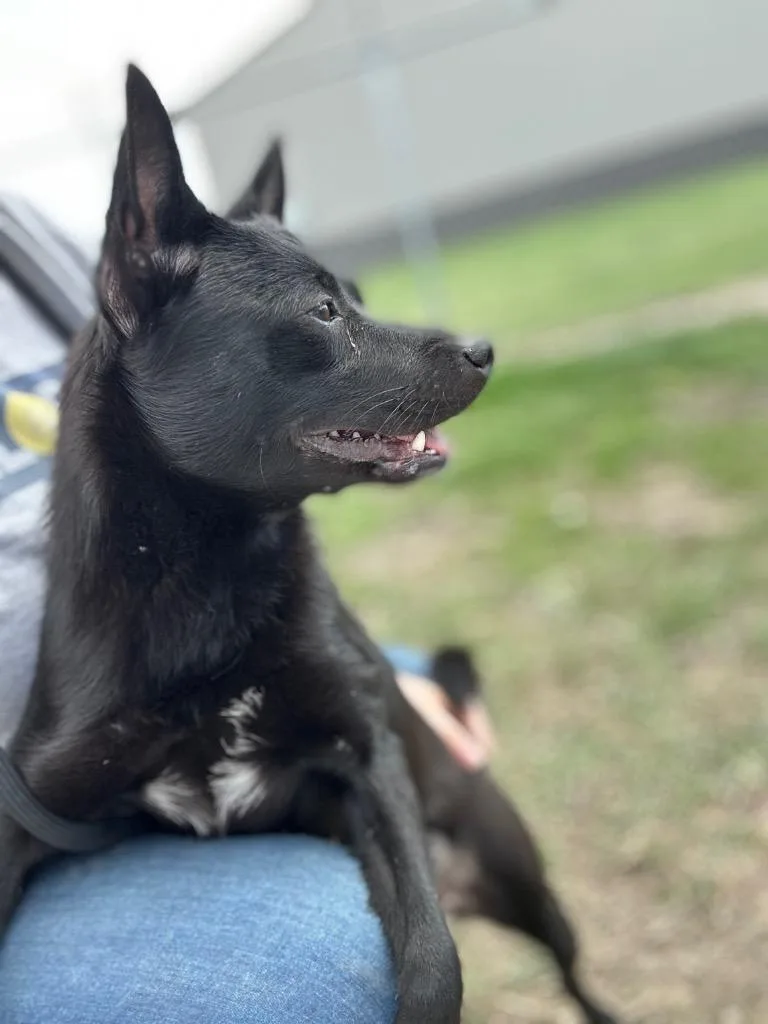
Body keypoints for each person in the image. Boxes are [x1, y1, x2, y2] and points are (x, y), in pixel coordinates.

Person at [0, 198, 493, 1023]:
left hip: (223, 641)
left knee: (425, 717)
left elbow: (205, 391)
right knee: (312, 963)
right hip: (85, 757)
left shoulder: (22, 236)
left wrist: (366, 668)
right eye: (329, 315)